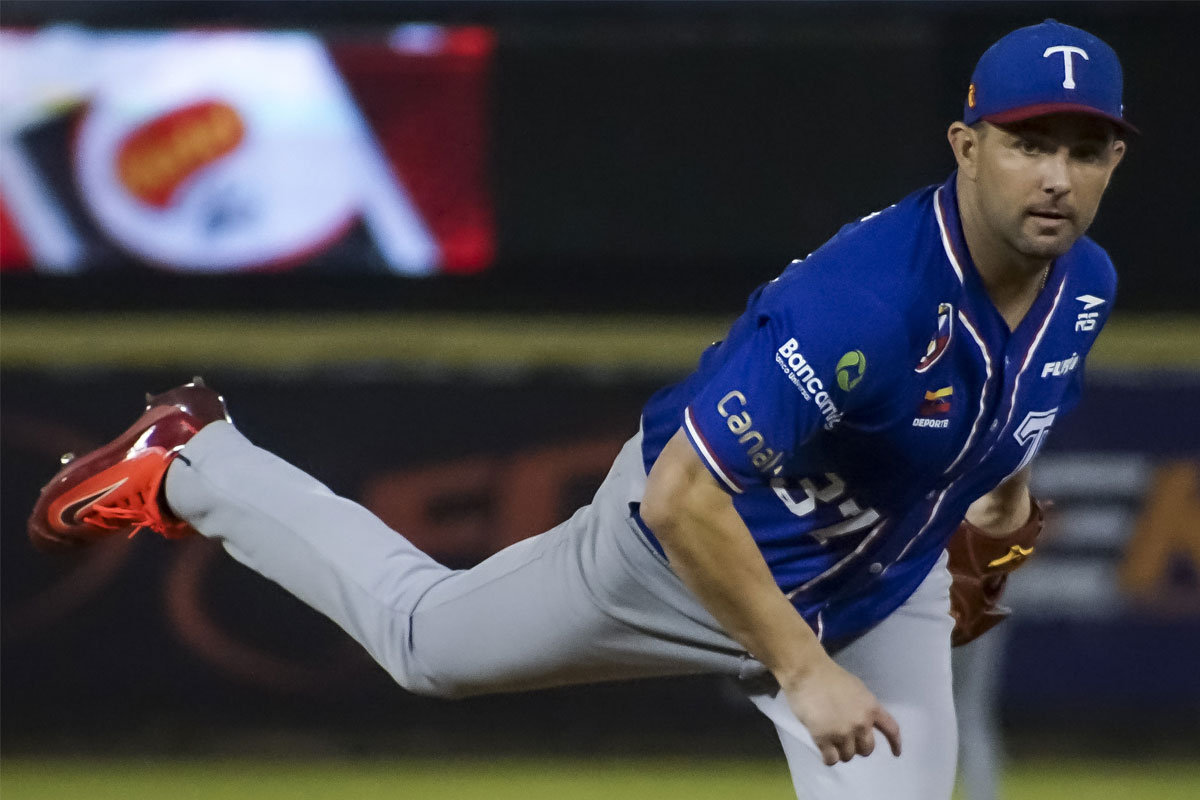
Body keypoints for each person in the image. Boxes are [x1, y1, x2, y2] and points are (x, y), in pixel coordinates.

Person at [28, 19, 1132, 799]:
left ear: (1115, 161)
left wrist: (994, 524)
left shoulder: (1083, 285)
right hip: (679, 559)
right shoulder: (866, 304)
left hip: (871, 594)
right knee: (426, 643)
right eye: (1029, 142)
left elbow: (1005, 417)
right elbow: (686, 497)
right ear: (967, 146)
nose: (1056, 177)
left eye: (1084, 150)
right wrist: (802, 668)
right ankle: (195, 459)